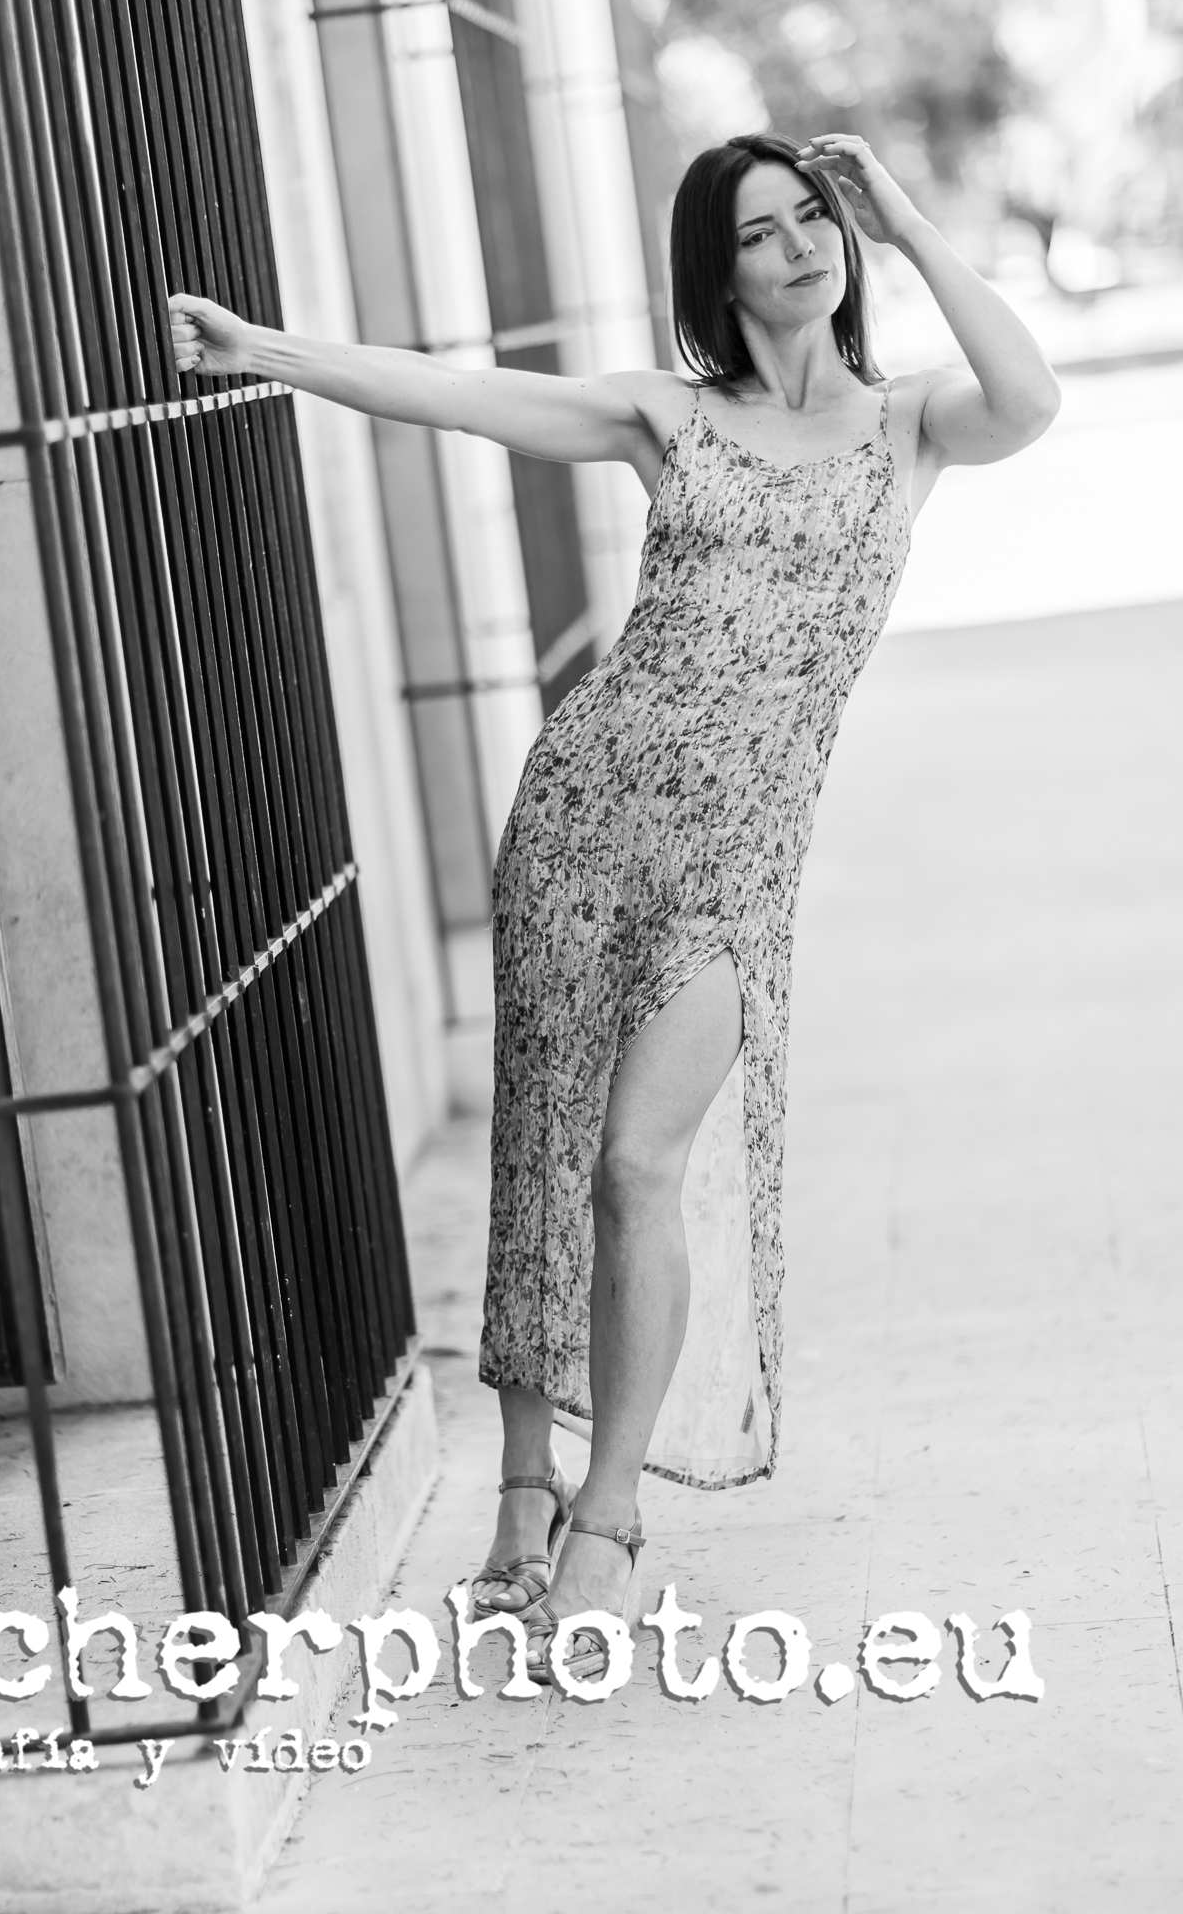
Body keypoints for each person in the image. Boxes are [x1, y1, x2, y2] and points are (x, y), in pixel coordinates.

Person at [169, 131, 1060, 1689]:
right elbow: (461, 395)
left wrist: (909, 218)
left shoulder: (910, 423)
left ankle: (609, 1507)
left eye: (816, 219)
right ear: (716, 270)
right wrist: (268, 352)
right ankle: (523, 1485)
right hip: (586, 815)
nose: (801, 247)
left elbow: (1032, 398)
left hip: (735, 867)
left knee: (636, 1164)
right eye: (763, 232)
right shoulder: (671, 416)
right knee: (545, 1145)